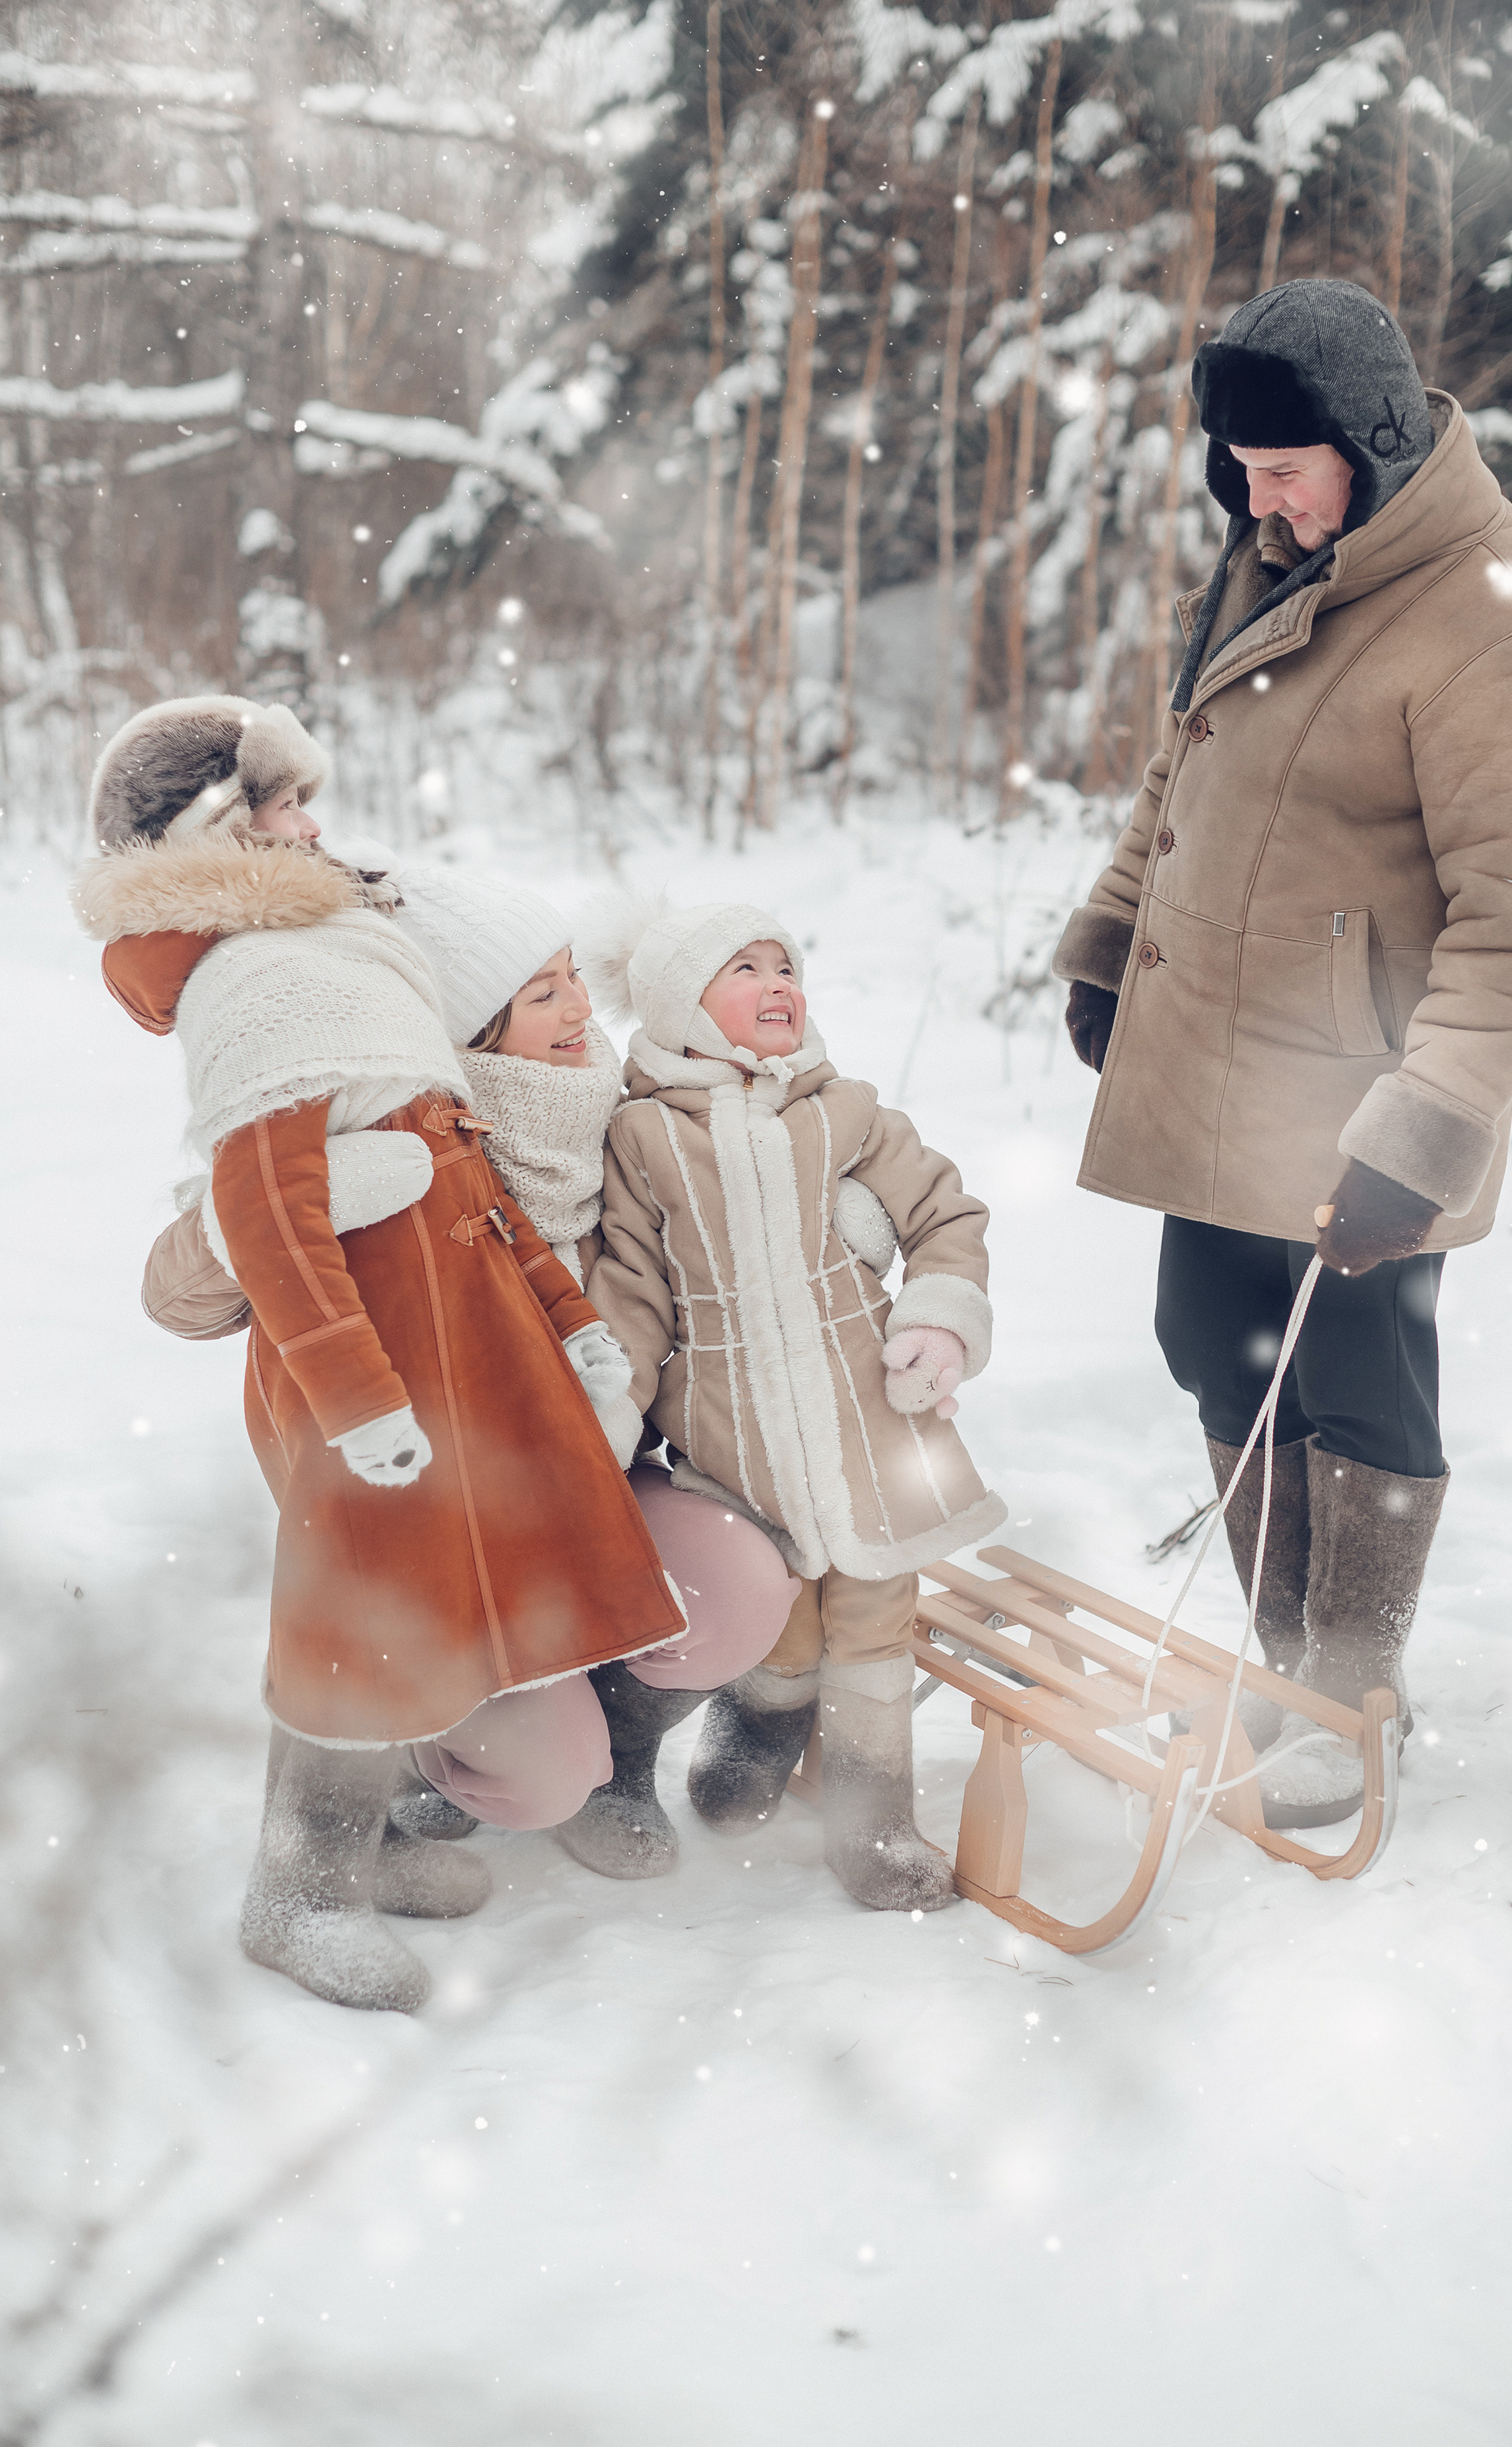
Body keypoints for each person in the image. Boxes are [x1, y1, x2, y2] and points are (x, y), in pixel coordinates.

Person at [1052, 278, 1512, 1825]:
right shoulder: (1269, 561)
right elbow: (1178, 775)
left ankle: (1346, 1690)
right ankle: (1285, 1654)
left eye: (1284, 465)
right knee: (1211, 1347)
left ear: (1371, 439)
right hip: (1220, 1068)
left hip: (1355, 1101)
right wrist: (1110, 938)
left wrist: (1420, 1129)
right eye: (1236, 465)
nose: (1256, 495)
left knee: (1354, 1384)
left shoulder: (1510, 625)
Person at [74, 696, 687, 2013]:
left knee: (435, 1584)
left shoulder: (339, 944)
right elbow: (264, 1208)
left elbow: (458, 1167)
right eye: (281, 806)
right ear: (216, 832)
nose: (313, 823)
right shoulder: (257, 974)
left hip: (456, 1321)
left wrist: (573, 1327)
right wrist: (353, 1393)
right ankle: (296, 1891)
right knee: (355, 1609)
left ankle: (384, 1834)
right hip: (361, 1351)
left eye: (305, 800)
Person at [142, 857, 801, 1881]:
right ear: (468, 1031)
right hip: (448, 1531)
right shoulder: (390, 1136)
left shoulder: (620, 1115)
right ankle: (430, 1740)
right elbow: (182, 1294)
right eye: (542, 994)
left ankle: (623, 1763)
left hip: (598, 1483)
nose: (583, 1009)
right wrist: (264, 1219)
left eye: (575, 975)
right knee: (544, 1771)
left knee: (739, 1588)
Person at [581, 897, 1007, 1914]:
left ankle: (877, 1822)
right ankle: (753, 1729)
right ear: (684, 1006)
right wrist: (604, 1420)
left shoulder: (845, 1110)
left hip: (869, 1421)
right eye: (745, 969)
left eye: (787, 966)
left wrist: (938, 1324)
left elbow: (945, 1214)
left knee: (871, 1623)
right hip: (735, 1434)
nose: (778, 984)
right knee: (781, 1619)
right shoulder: (643, 1137)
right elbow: (631, 1298)